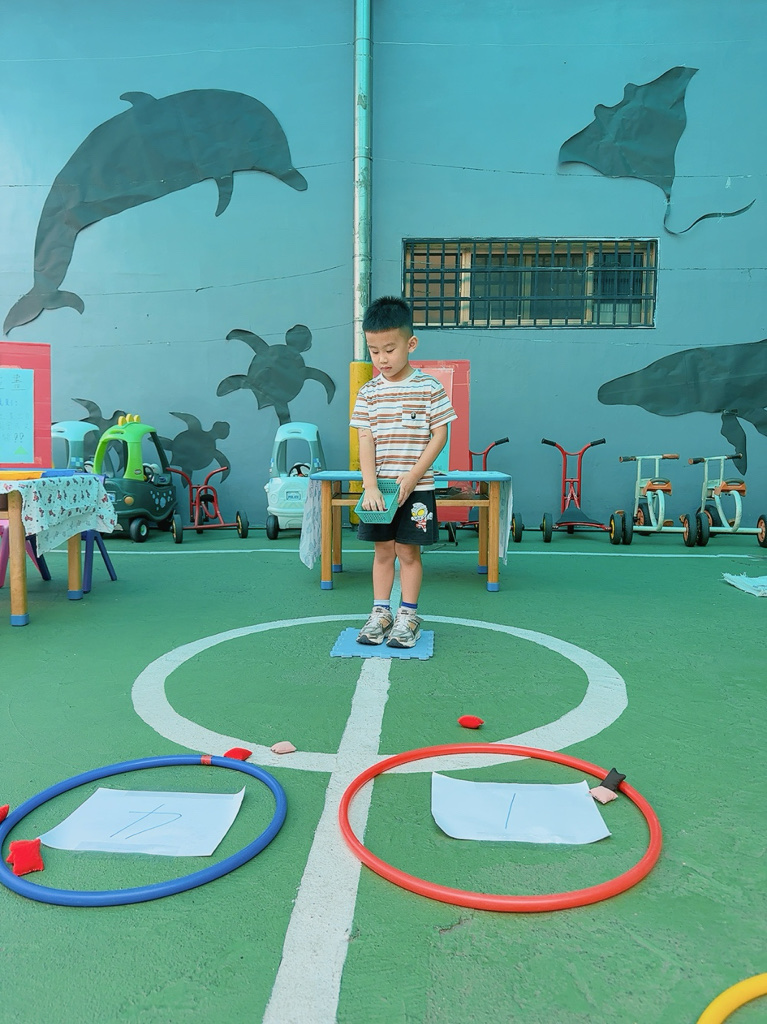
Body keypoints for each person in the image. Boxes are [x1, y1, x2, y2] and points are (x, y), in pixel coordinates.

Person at [350, 296, 457, 648]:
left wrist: (413, 476)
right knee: (383, 551)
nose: (382, 359)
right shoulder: (368, 392)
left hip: (417, 489)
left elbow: (440, 435)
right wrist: (370, 486)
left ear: (411, 344)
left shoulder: (429, 388)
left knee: (408, 552)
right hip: (380, 491)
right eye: (374, 351)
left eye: (389, 349)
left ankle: (408, 616)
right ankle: (380, 613)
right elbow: (365, 438)